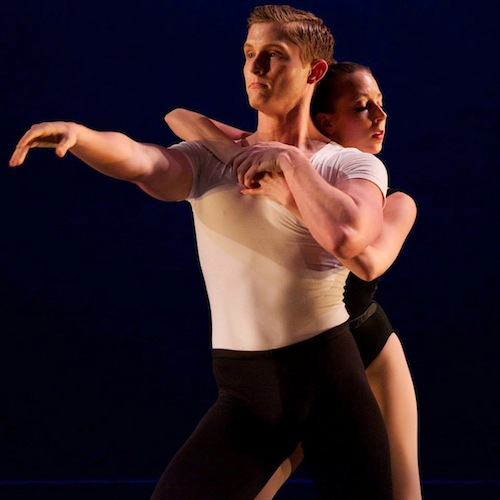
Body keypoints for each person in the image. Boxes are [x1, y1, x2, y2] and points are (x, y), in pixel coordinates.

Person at [10, 5, 394, 499]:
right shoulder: (210, 160)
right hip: (246, 389)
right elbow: (142, 160)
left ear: (313, 71)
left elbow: (348, 235)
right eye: (249, 54)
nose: (255, 70)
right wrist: (81, 137)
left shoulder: (348, 164)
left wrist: (286, 160)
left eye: (273, 57)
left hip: (328, 379)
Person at [165, 61, 421, 499]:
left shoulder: (394, 200)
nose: (381, 117)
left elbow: (367, 263)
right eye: (363, 108)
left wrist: (287, 186)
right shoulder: (302, 161)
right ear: (326, 121)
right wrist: (243, 158)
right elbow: (180, 118)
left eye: (381, 105)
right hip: (299, 364)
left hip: (368, 352)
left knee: (400, 491)